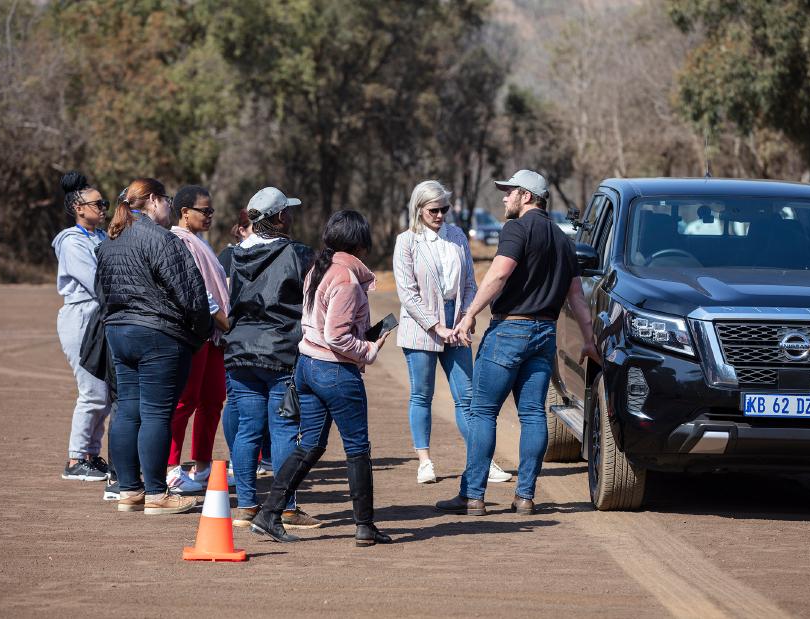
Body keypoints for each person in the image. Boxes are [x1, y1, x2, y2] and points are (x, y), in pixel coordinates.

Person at [436, 170, 600, 516]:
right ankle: (525, 497)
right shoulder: (562, 239)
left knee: (482, 412)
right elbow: (577, 297)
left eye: (509, 192)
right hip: (544, 335)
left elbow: (499, 272)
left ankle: (473, 497)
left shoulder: (516, 229)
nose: (504, 198)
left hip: (510, 331)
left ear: (527, 196)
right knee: (532, 415)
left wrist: (469, 314)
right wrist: (589, 340)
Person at [251, 210, 392, 546]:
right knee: (357, 448)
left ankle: (269, 514)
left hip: (308, 366)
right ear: (360, 243)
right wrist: (369, 349)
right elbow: (337, 336)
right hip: (335, 371)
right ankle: (364, 526)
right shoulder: (346, 279)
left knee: (310, 444)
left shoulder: (320, 267)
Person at [97, 178, 212, 515]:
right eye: (167, 199)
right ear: (151, 200)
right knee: (156, 414)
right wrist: (201, 331)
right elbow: (190, 292)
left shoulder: (108, 242)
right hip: (158, 336)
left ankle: (129, 491)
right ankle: (158, 494)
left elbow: (99, 292)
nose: (169, 206)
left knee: (128, 410)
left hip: (119, 332)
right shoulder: (161, 239)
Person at [393, 180, 511, 484]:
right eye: (434, 209)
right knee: (422, 394)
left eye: (444, 208)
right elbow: (407, 294)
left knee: (468, 396)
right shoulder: (406, 242)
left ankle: (482, 460)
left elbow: (470, 282)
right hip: (422, 326)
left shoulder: (457, 236)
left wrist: (465, 318)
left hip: (455, 322)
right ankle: (425, 461)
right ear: (419, 209)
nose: (440, 214)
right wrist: (437, 327)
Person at [222, 187, 317, 530]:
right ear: (279, 218)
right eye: (287, 212)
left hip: (239, 352)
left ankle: (247, 505)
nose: (291, 216)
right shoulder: (299, 253)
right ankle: (285, 508)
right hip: (280, 352)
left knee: (248, 429)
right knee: (284, 430)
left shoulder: (232, 255)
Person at [166, 186, 231, 493]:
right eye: (204, 211)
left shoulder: (199, 241)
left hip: (214, 335)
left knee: (212, 398)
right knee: (184, 401)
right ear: (184, 212)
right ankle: (170, 469)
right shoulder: (179, 241)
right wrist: (222, 318)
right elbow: (196, 291)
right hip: (195, 331)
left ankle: (202, 467)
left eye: (211, 211)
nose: (210, 216)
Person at [52, 171, 113, 482]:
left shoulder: (101, 237)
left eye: (104, 203)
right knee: (92, 392)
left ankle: (90, 454)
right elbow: (95, 281)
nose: (103, 208)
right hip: (81, 317)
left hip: (99, 319)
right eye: (97, 203)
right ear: (79, 208)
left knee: (104, 392)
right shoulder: (72, 242)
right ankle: (76, 459)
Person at [217, 207, 273, 480]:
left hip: (263, 339)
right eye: (254, 227)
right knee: (239, 403)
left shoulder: (273, 252)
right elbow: (227, 299)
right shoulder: (231, 255)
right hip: (238, 338)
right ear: (241, 230)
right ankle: (239, 458)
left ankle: (265, 458)